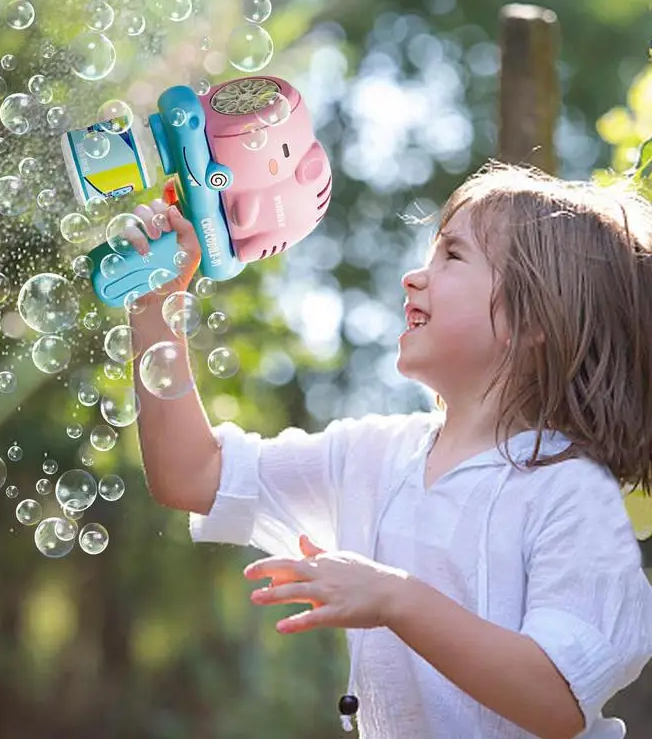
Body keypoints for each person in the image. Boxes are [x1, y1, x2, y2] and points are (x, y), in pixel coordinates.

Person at [124, 161, 652, 738]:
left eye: (452, 256)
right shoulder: (372, 455)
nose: (414, 276)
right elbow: (191, 474)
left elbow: (557, 699)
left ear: (532, 319)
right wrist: (156, 304)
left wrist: (393, 597)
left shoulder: (570, 492)